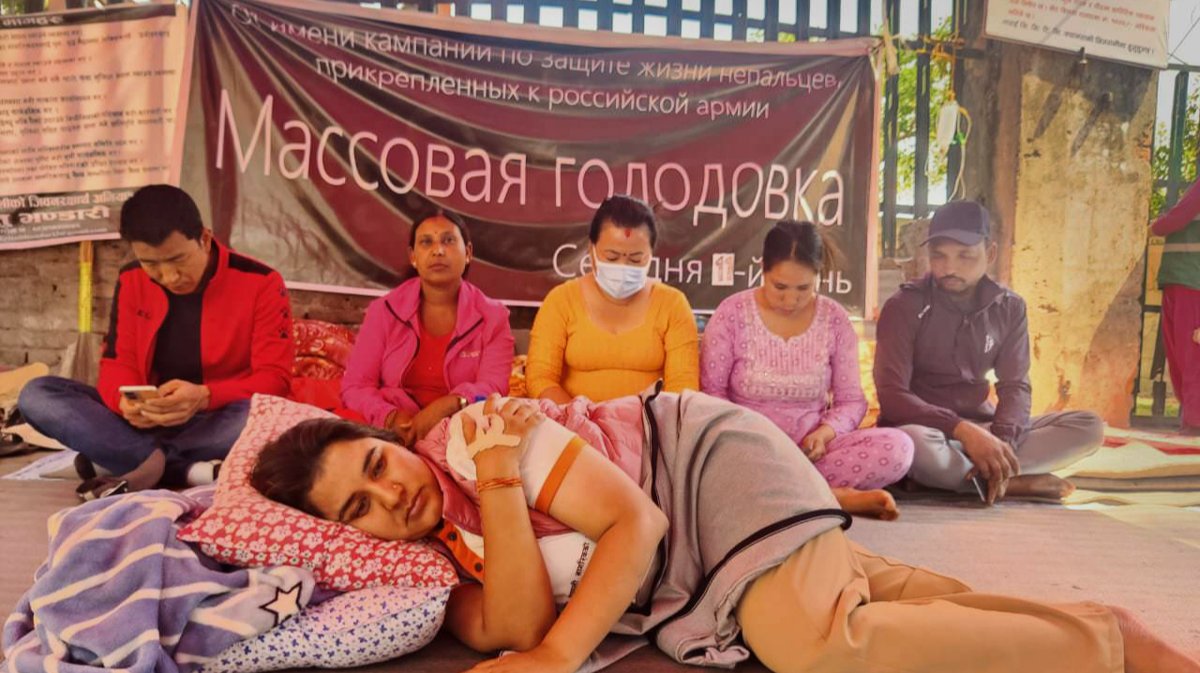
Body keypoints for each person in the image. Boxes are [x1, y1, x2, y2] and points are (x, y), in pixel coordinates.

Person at [251, 391, 1198, 673]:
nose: (391, 495)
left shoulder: (478, 433)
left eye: (376, 463)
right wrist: (497, 497)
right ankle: (1078, 624)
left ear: (388, 439)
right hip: (699, 550)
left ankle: (1107, 647)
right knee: (856, 585)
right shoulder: (435, 565)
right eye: (358, 508)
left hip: (703, 461)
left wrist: (556, 659)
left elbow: (638, 518)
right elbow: (515, 624)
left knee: (812, 641)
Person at [18, 184, 293, 499]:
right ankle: (183, 469)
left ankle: (126, 459)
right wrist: (124, 403)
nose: (169, 276)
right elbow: (117, 362)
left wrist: (204, 396)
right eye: (152, 264)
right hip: (145, 421)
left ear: (204, 239)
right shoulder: (131, 279)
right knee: (38, 395)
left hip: (216, 418)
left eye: (178, 259)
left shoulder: (261, 282)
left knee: (266, 418)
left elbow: (275, 380)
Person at [874, 200, 1103, 504]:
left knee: (1088, 426)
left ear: (990, 254)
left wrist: (1001, 442)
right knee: (912, 446)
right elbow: (892, 396)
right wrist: (961, 430)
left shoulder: (1009, 307)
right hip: (928, 431)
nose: (949, 268)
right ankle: (1014, 483)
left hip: (985, 428)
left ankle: (973, 477)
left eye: (965, 256)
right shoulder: (904, 306)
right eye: (939, 255)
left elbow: (1015, 385)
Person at [702, 221, 913, 520]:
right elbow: (711, 395)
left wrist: (824, 434)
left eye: (804, 288)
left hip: (810, 454)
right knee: (709, 462)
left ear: (818, 275)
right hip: (746, 447)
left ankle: (783, 495)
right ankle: (827, 498)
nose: (791, 300)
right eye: (779, 287)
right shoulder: (731, 314)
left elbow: (851, 401)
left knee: (898, 448)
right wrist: (748, 437)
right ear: (762, 269)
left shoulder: (835, 320)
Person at [341, 208, 514, 446]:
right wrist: (390, 416)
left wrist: (452, 403)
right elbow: (356, 387)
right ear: (413, 257)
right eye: (426, 242)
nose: (438, 250)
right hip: (391, 433)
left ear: (468, 253)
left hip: (463, 432)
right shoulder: (384, 311)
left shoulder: (493, 317)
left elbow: (493, 387)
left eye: (448, 240)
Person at [526, 195, 699, 403]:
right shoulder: (561, 301)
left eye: (636, 259)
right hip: (571, 420)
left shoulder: (672, 305)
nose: (623, 267)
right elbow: (540, 378)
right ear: (591, 250)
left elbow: (683, 387)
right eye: (612, 257)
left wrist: (646, 420)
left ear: (651, 255)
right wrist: (578, 418)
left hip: (652, 422)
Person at [1150, 175, 1200, 434]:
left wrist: (1154, 227)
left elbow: (1178, 218)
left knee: (1190, 357)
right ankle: (1191, 420)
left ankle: (1195, 423)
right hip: (1181, 280)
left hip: (1192, 282)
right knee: (1181, 355)